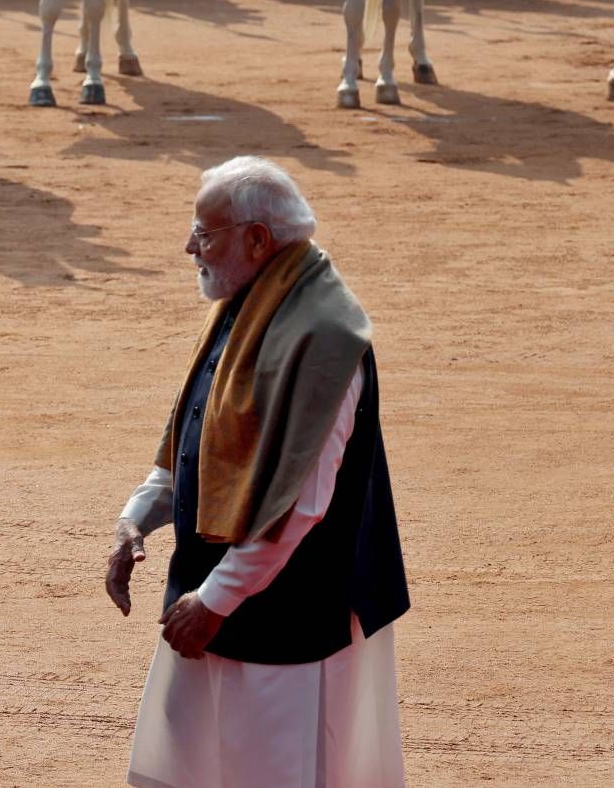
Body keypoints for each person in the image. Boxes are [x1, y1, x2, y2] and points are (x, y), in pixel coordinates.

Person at [111, 157, 409, 787]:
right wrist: (136, 518)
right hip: (216, 599)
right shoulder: (248, 303)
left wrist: (214, 600)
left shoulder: (323, 336)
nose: (189, 247)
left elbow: (301, 502)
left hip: (286, 618)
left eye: (204, 233)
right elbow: (199, 439)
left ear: (256, 239)